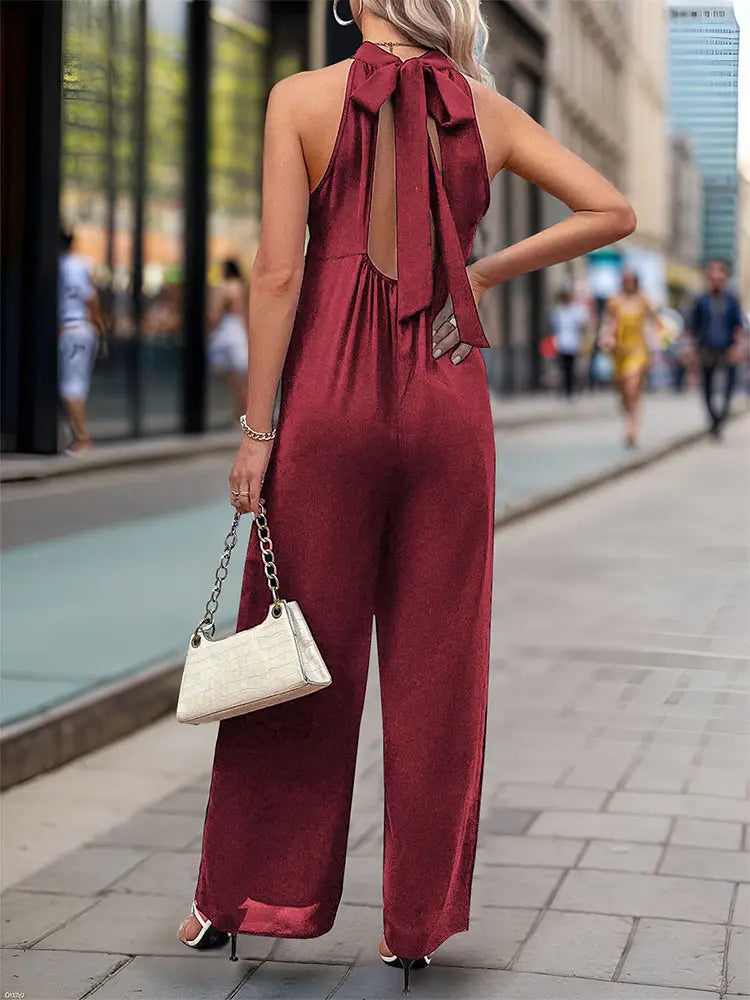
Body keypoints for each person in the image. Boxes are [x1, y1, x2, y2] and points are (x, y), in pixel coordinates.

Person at [176, 0, 636, 990]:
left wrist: (258, 430)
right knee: (441, 666)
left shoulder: (300, 98)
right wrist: (481, 272)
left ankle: (242, 896)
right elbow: (613, 211)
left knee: (294, 649)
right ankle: (415, 923)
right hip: (446, 401)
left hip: (328, 411)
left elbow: (276, 273)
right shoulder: (487, 110)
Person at [685, 258, 746, 439]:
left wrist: (739, 346)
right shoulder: (701, 300)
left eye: (720, 273)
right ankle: (714, 420)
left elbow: (738, 324)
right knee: (707, 388)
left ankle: (721, 419)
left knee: (728, 387)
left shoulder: (732, 299)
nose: (716, 276)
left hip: (727, 348)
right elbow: (692, 326)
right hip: (706, 348)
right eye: (712, 273)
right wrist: (691, 350)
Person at [58, 228, 103, 455]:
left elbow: (88, 297)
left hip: (72, 328)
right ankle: (75, 435)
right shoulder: (81, 264)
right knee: (76, 384)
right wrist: (97, 326)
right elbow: (92, 297)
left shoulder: (63, 265)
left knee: (71, 387)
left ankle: (83, 437)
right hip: (83, 329)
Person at [600, 270, 657, 448]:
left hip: (638, 350)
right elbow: (608, 323)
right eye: (626, 280)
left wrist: (654, 345)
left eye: (632, 280)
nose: (629, 283)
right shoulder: (614, 301)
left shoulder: (644, 300)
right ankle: (630, 415)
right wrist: (606, 338)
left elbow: (653, 323)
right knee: (623, 390)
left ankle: (631, 427)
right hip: (619, 351)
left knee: (632, 386)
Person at [207, 259, 249, 419]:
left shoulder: (223, 288)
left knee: (233, 379)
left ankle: (238, 414)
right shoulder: (241, 286)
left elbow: (213, 314)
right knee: (242, 377)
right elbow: (243, 312)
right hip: (239, 330)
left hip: (227, 329)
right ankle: (244, 414)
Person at [549, 288, 589, 399]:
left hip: (572, 343)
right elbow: (554, 326)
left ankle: (570, 389)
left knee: (571, 367)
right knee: (563, 368)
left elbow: (582, 324)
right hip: (561, 343)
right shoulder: (558, 311)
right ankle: (564, 388)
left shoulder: (574, 310)